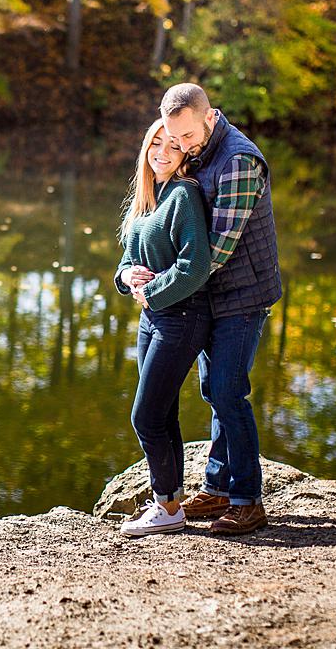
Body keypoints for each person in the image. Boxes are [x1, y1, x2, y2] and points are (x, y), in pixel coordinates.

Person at [159, 82, 282, 536]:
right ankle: (218, 487)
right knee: (214, 389)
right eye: (175, 140)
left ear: (210, 117)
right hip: (213, 293)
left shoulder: (238, 162)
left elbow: (214, 252)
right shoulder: (198, 148)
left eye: (188, 138)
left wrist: (162, 287)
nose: (182, 147)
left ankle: (248, 500)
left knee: (229, 391)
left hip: (244, 293)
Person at [113, 119, 213, 538]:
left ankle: (167, 506)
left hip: (183, 317)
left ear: (184, 153)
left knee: (146, 416)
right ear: (145, 149)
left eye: (173, 146)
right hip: (151, 318)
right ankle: (170, 501)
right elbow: (125, 260)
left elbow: (196, 267)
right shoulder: (147, 198)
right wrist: (127, 279)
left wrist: (152, 291)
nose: (163, 153)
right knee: (163, 412)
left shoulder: (184, 196)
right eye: (156, 144)